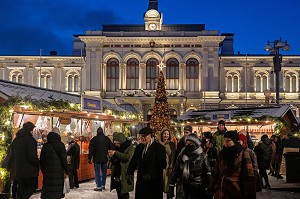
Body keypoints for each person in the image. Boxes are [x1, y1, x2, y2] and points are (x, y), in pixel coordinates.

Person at [207, 131, 256, 199]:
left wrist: (250, 195)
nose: (225, 143)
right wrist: (210, 191)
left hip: (235, 191)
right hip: (220, 191)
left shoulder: (243, 154)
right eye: (224, 141)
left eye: (228, 141)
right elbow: (215, 173)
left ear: (235, 141)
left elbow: (249, 177)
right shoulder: (222, 154)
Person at [127, 127, 166, 199]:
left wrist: (151, 174)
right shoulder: (139, 147)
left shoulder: (159, 148)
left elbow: (162, 164)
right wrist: (129, 172)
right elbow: (133, 161)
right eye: (141, 136)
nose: (142, 138)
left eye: (144, 136)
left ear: (151, 136)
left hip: (154, 183)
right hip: (141, 183)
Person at [169, 133, 210, 199]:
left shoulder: (203, 156)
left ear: (195, 143)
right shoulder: (181, 154)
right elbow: (176, 170)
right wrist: (171, 185)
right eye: (186, 143)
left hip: (196, 188)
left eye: (190, 143)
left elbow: (207, 174)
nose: (187, 145)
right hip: (182, 188)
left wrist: (205, 187)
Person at [11, 122, 39, 199]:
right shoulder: (30, 140)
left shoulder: (16, 140)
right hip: (30, 170)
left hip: (19, 169)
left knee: (22, 187)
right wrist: (38, 163)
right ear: (31, 129)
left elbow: (12, 154)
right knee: (32, 186)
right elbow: (32, 157)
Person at [40, 127, 69, 199]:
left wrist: (44, 171)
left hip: (48, 172)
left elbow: (42, 160)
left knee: (48, 190)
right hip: (58, 173)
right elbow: (63, 159)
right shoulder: (61, 145)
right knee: (56, 191)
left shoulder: (45, 145)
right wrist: (67, 170)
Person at [108, 132, 135, 199]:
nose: (116, 145)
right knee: (119, 192)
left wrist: (115, 153)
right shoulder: (116, 147)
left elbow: (127, 157)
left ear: (122, 142)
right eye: (115, 143)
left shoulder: (130, 147)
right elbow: (113, 160)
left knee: (124, 193)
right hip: (117, 174)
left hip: (125, 174)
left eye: (118, 143)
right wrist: (110, 156)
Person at [88, 126, 114, 191]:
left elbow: (91, 150)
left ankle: (98, 186)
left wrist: (89, 158)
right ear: (103, 132)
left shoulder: (94, 139)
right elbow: (112, 147)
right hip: (105, 158)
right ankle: (103, 185)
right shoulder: (106, 139)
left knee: (97, 172)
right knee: (104, 172)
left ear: (97, 132)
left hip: (96, 159)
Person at [158, 128, 176, 199]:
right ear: (162, 134)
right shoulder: (157, 143)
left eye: (167, 134)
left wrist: (171, 166)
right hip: (159, 167)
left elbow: (173, 155)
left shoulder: (171, 144)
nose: (166, 135)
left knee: (168, 184)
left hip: (168, 166)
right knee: (159, 184)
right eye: (164, 134)